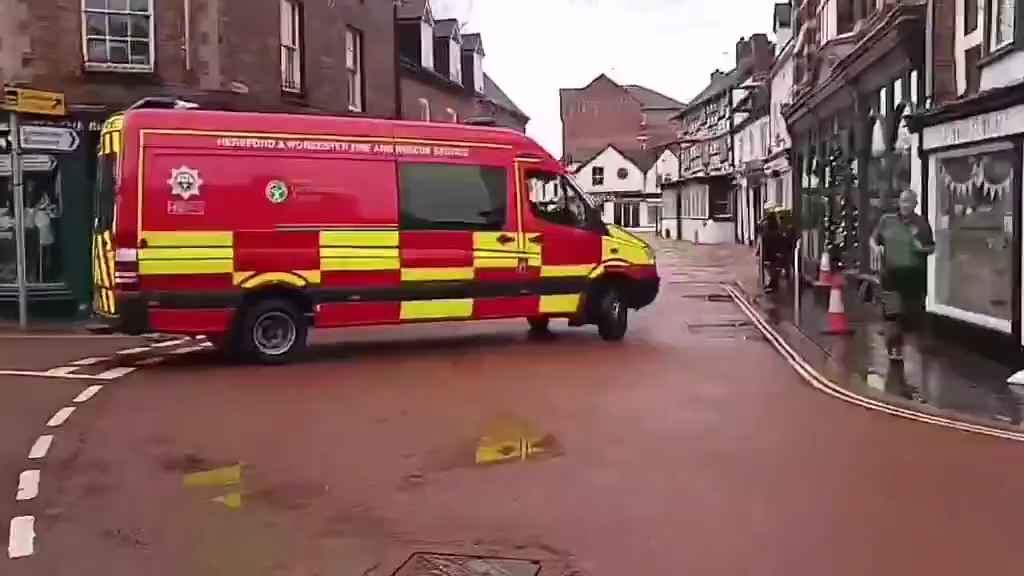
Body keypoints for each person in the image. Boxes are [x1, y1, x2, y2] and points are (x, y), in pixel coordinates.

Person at [870, 189, 934, 361]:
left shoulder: (921, 224)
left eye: (909, 202)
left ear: (915, 204)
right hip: (890, 275)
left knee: (910, 316)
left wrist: (921, 248)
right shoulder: (887, 220)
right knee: (892, 315)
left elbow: (932, 248)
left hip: (914, 276)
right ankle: (894, 348)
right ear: (899, 202)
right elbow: (873, 239)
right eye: (903, 201)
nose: (905, 205)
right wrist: (876, 248)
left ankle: (905, 346)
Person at [757, 203, 786, 293]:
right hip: (773, 247)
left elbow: (762, 232)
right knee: (773, 266)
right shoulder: (775, 223)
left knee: (771, 266)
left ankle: (772, 284)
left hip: (771, 247)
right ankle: (772, 284)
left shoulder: (768, 223)